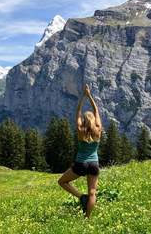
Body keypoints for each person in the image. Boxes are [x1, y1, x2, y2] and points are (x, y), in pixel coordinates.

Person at [58, 84, 102, 218]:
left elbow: (78, 111)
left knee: (62, 182)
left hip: (81, 164)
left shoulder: (80, 131)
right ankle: (87, 218)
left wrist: (83, 96)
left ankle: (81, 197)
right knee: (92, 193)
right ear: (94, 121)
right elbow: (97, 111)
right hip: (94, 164)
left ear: (83, 121)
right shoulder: (98, 130)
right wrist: (90, 97)